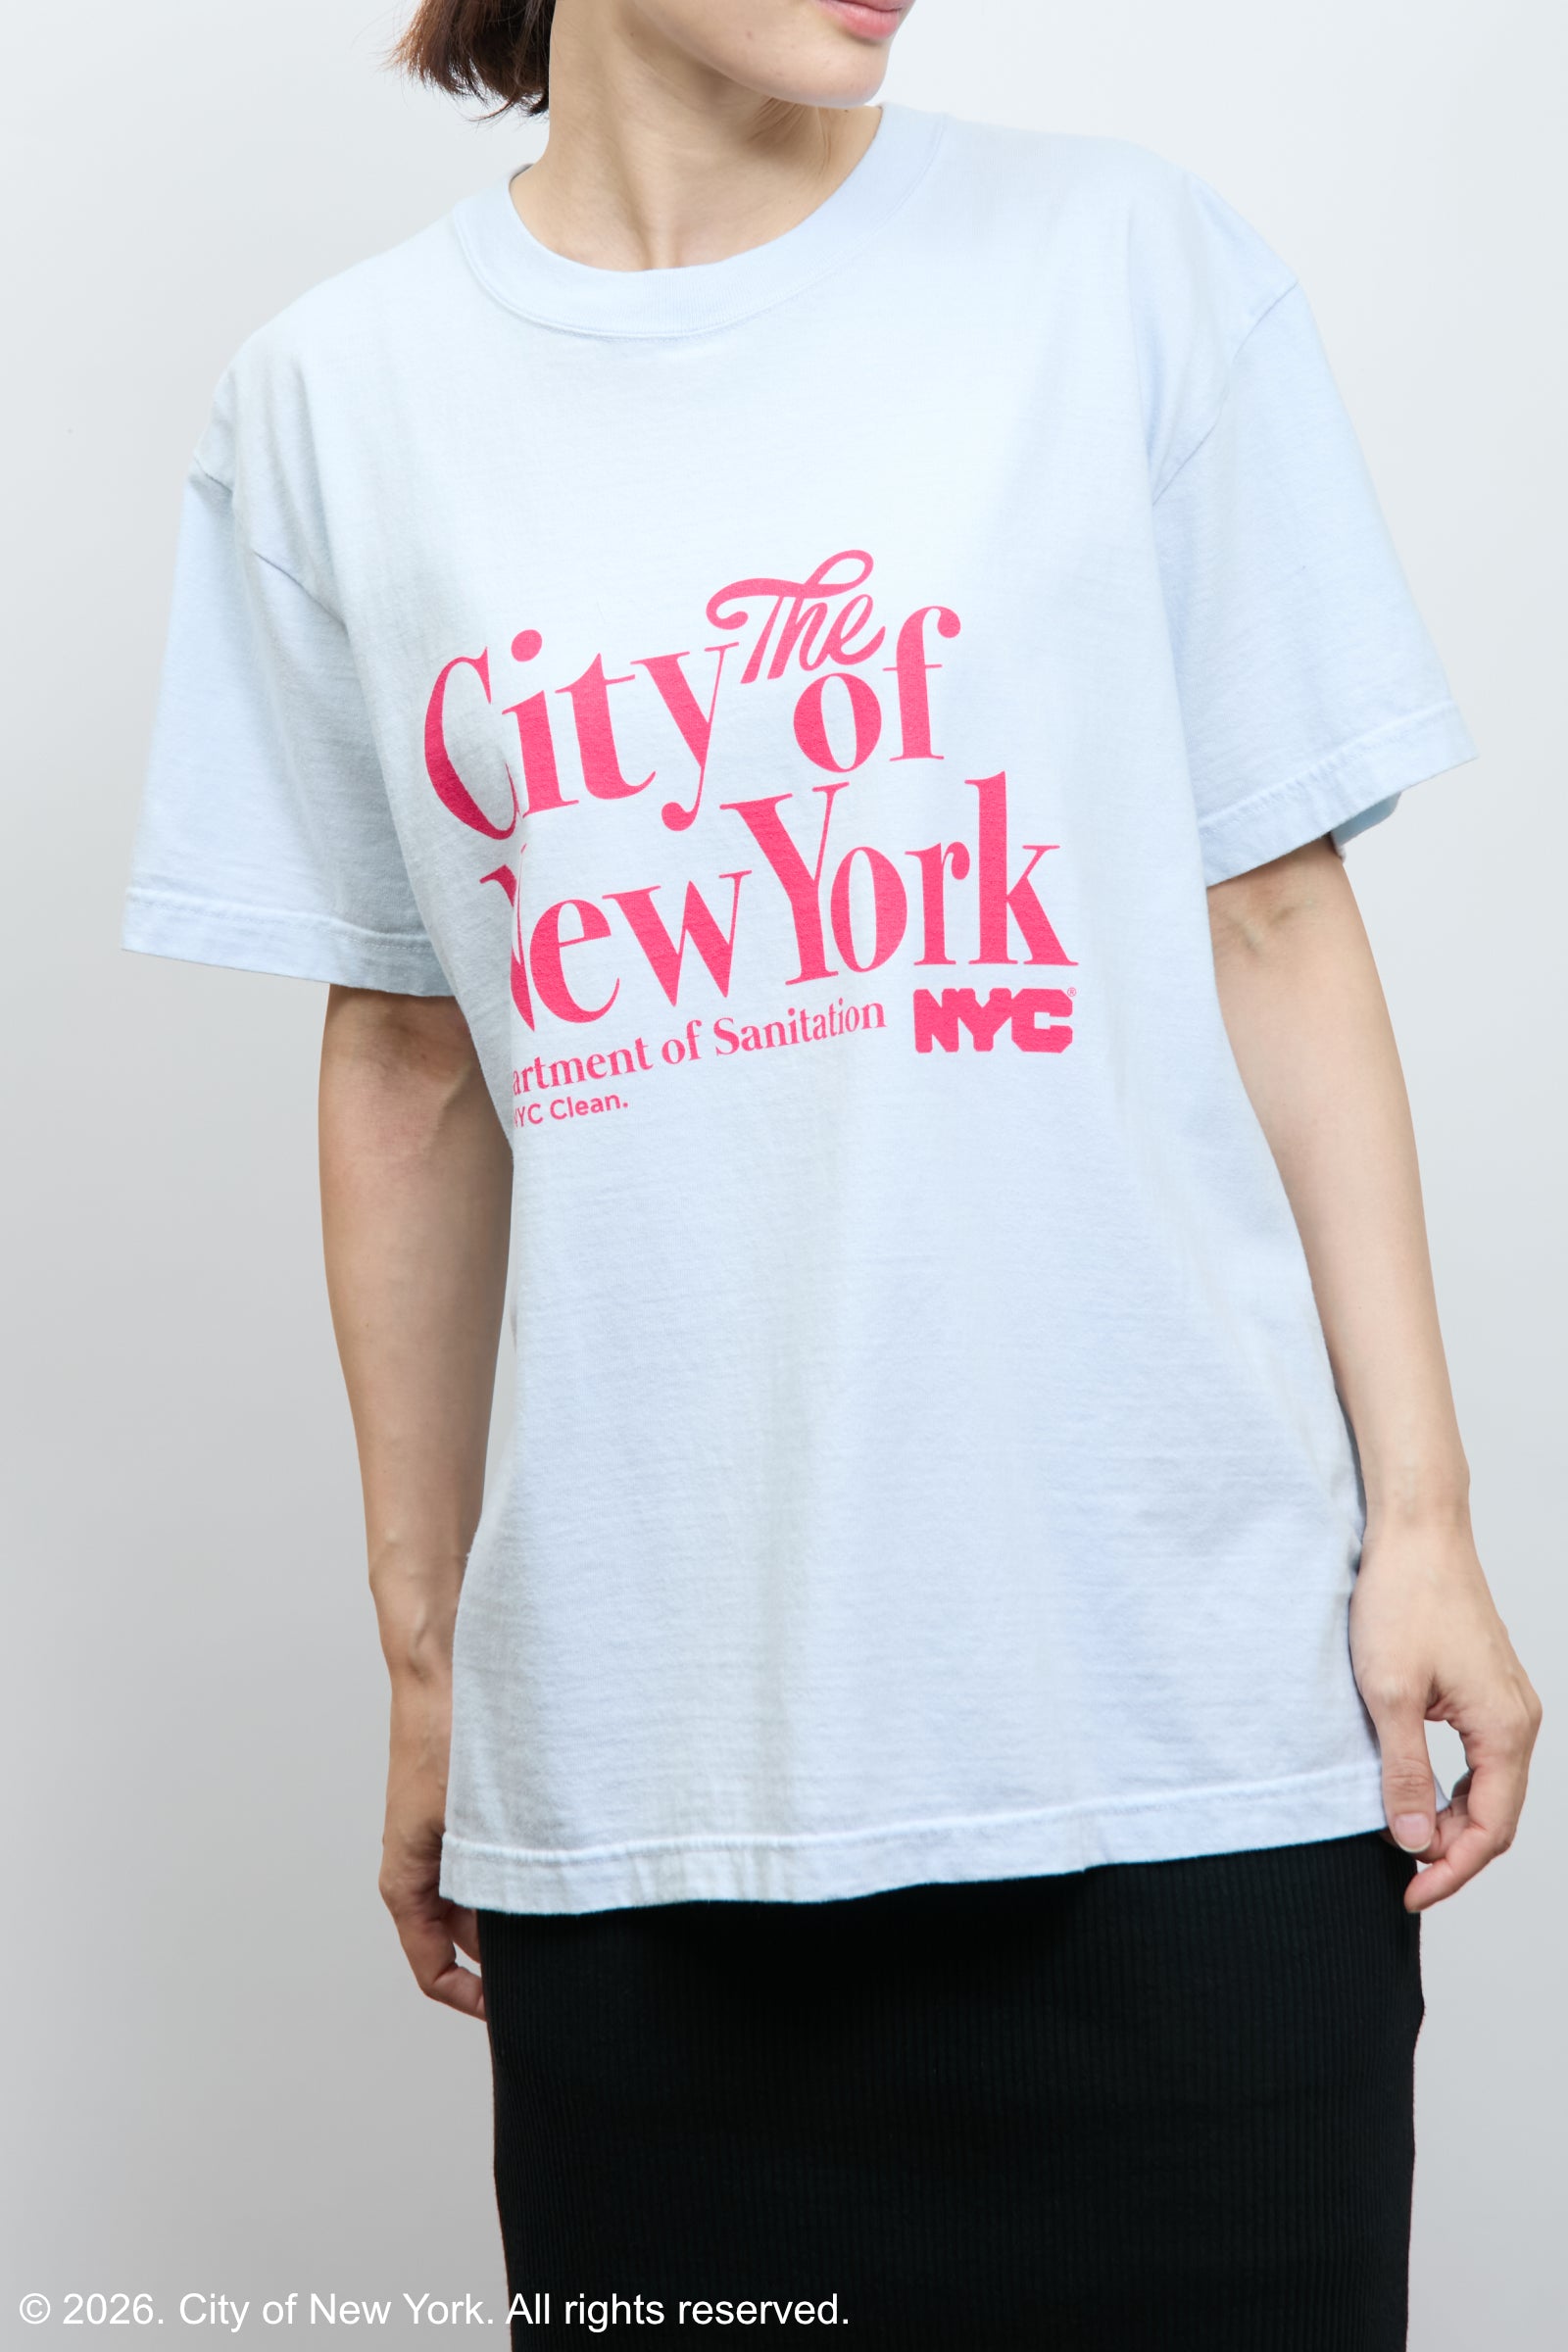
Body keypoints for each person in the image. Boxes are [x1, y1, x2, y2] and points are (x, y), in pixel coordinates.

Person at [123, 0, 1542, 2341]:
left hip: (1185, 1749)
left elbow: (1274, 913)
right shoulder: (337, 402)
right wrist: (428, 1659)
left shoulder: (1120, 266)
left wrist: (1424, 1522)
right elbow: (403, 1061)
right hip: (652, 1793)